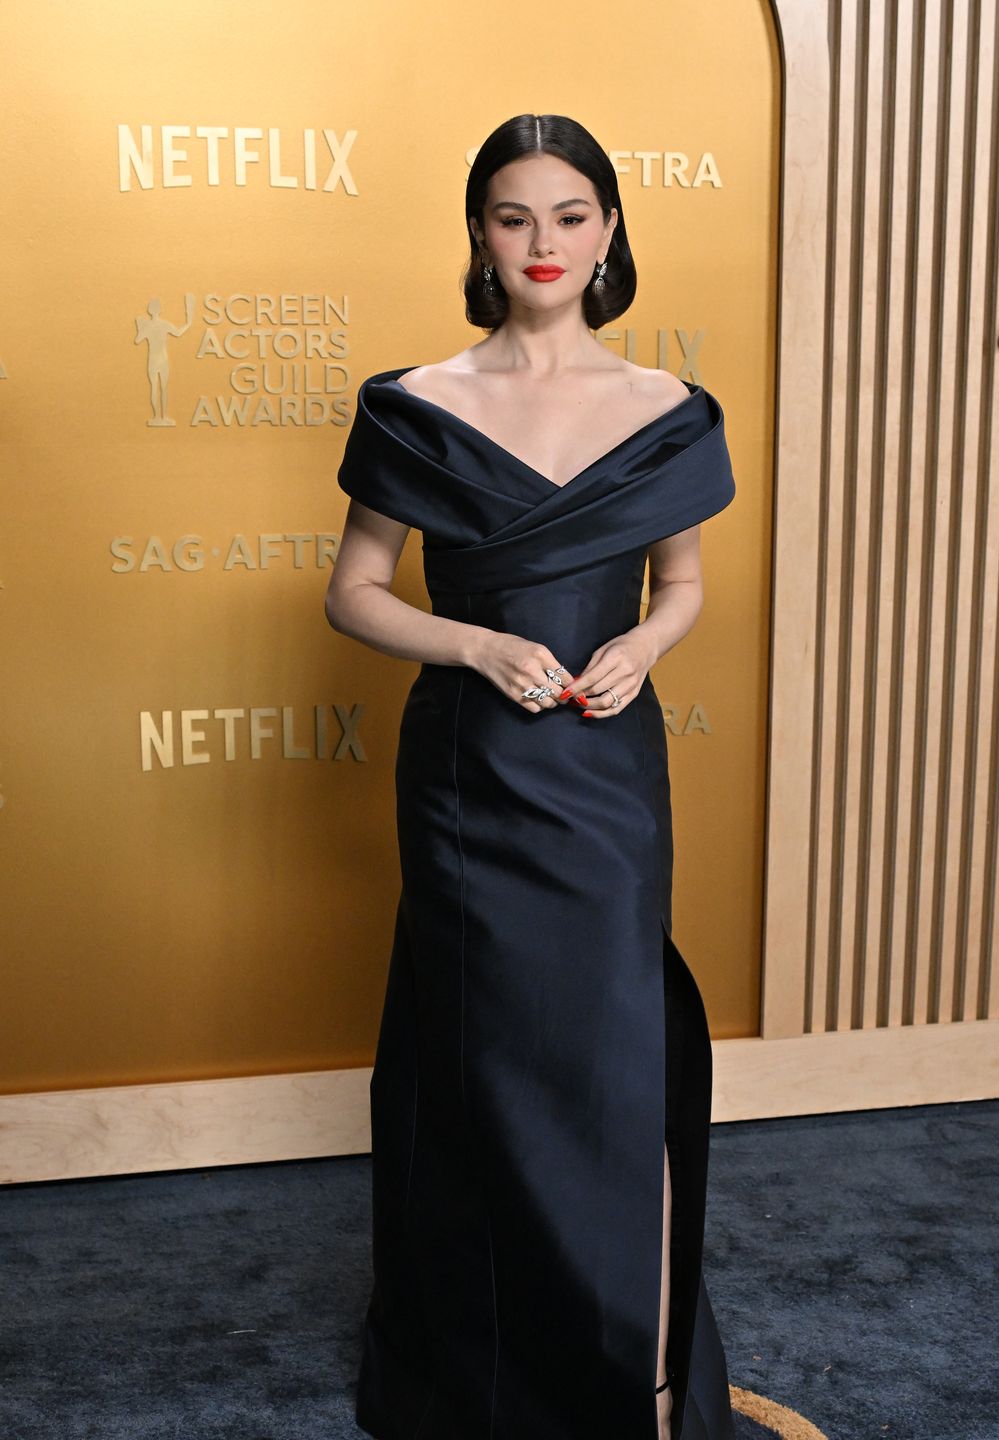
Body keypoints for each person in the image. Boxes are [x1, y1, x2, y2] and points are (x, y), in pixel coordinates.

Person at [325, 112, 738, 1440]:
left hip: (606, 771)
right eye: (515, 217)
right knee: (481, 1064)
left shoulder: (667, 412)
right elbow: (354, 595)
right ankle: (481, 1369)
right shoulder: (419, 406)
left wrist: (638, 645)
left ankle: (650, 1382)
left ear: (610, 231)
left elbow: (680, 586)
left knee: (620, 1055)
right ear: (480, 238)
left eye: (570, 216)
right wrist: (478, 645)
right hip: (472, 777)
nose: (543, 242)